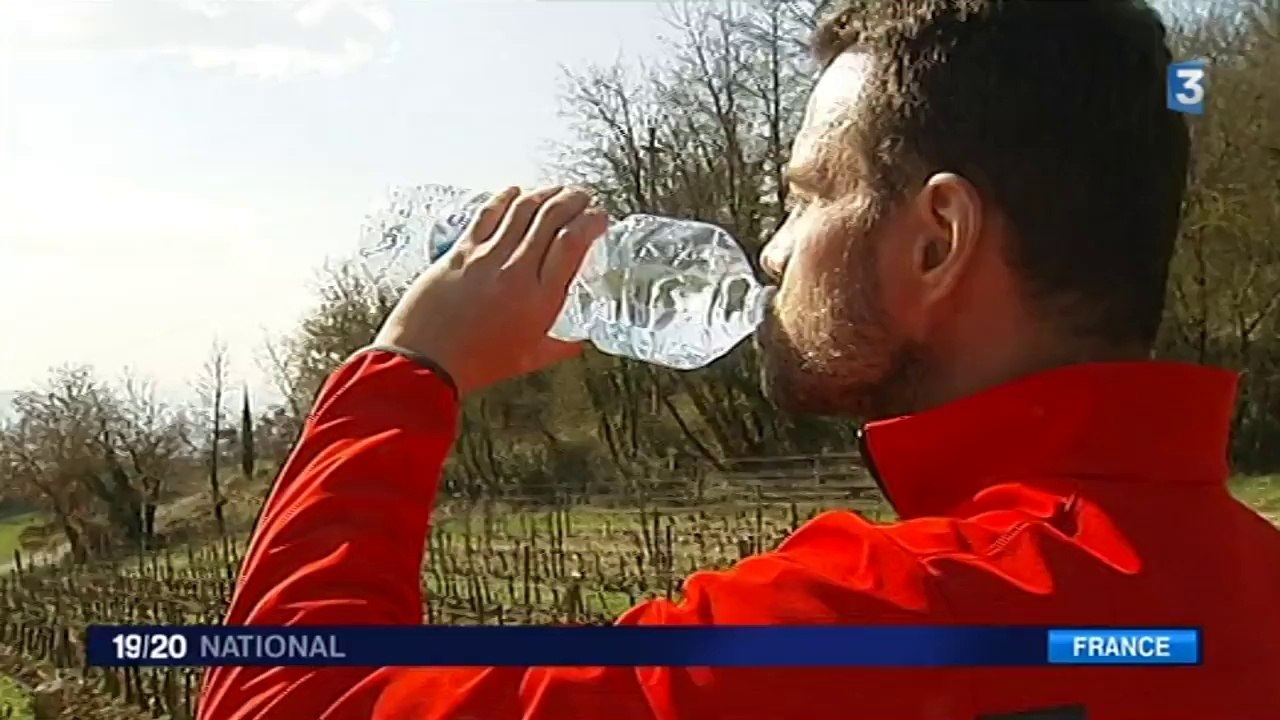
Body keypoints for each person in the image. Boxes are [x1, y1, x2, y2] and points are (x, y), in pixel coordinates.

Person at [197, 1, 1280, 719]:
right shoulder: (1248, 587)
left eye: (803, 194)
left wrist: (407, 369)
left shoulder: (874, 628)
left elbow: (280, 701)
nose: (769, 247)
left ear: (933, 241)